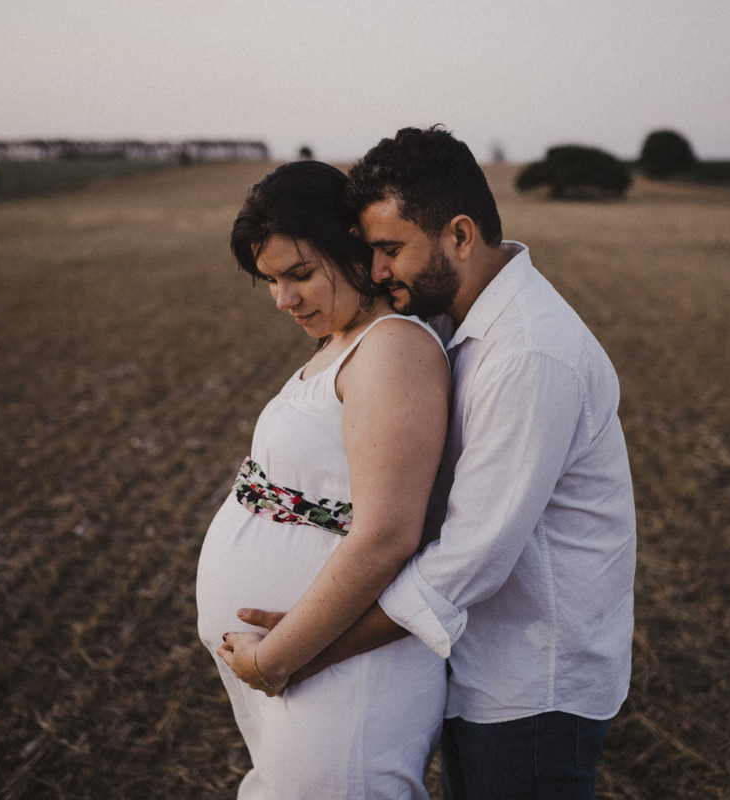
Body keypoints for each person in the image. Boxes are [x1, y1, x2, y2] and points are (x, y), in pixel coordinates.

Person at [237, 126, 638, 799]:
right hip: (477, 662)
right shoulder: (454, 323)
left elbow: (464, 565)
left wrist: (301, 653)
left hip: (531, 683)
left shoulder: (527, 354)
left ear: (459, 235)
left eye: (390, 249)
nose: (378, 270)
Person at [195, 160, 450, 799]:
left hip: (343, 674)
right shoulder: (343, 340)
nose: (284, 300)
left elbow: (388, 534)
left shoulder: (392, 349)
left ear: (356, 251)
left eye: (301, 274)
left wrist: (279, 658)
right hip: (297, 667)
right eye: (272, 280)